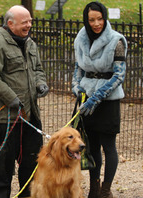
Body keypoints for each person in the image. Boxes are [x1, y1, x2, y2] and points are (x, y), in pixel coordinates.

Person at [0, 5, 49, 198]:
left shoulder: (30, 44)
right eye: (24, 22)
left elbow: (38, 71)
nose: (29, 25)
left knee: (33, 167)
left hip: (31, 116)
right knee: (2, 169)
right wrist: (10, 97)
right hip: (6, 119)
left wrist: (41, 84)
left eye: (30, 22)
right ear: (10, 23)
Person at [72, 2, 127, 198]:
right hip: (86, 99)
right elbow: (78, 67)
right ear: (86, 21)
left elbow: (119, 76)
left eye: (100, 19)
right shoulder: (81, 38)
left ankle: (106, 189)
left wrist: (96, 98)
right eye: (92, 20)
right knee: (92, 146)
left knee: (108, 146)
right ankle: (94, 189)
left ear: (105, 17)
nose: (96, 23)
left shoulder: (116, 40)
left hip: (107, 100)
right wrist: (76, 87)